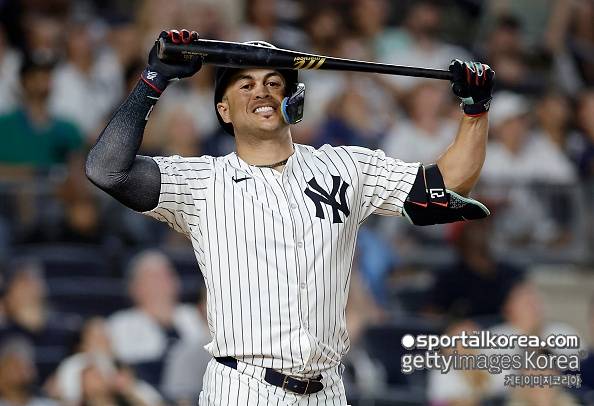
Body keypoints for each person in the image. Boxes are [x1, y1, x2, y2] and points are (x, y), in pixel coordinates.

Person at [86, 29, 494, 404]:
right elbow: (107, 170)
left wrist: (475, 110)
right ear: (224, 110)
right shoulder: (203, 180)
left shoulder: (347, 167)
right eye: (246, 84)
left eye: (273, 82)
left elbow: (447, 186)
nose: (261, 91)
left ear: (292, 100)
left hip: (327, 389)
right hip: (243, 387)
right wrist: (154, 79)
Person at [107, 250, 206, 389]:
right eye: (153, 277)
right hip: (145, 388)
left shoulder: (193, 315)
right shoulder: (120, 323)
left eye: (167, 275)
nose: (161, 282)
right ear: (134, 287)